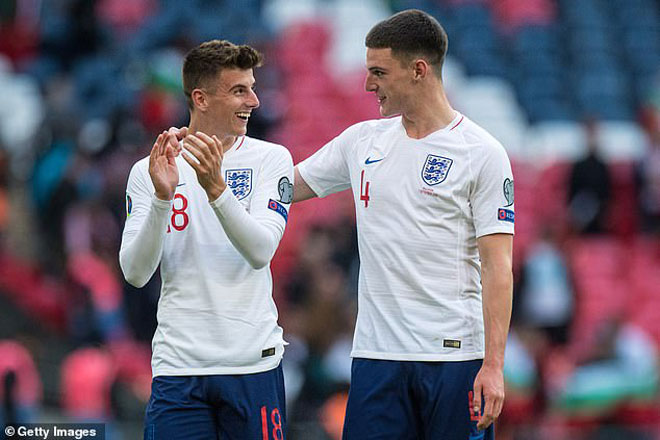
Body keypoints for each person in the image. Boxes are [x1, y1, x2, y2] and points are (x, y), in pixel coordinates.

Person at [293, 10, 514, 439]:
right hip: (378, 358)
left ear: (419, 70)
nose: (367, 84)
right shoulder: (362, 141)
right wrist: (210, 172)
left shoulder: (483, 153)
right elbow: (287, 185)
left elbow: (497, 267)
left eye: (378, 72)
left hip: (455, 361)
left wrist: (493, 365)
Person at [119, 40, 293, 439]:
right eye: (239, 90)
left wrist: (216, 190)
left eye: (252, 87)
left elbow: (260, 250)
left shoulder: (271, 159)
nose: (254, 100)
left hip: (252, 365)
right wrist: (163, 199)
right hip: (180, 368)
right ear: (200, 98)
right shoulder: (151, 170)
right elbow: (135, 272)